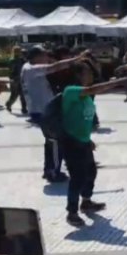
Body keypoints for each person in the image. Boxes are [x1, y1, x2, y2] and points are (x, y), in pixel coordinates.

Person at [61, 62, 127, 227]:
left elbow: (80, 119)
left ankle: (86, 201)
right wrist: (117, 81)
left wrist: (88, 139)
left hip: (83, 141)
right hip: (71, 142)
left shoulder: (86, 96)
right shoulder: (71, 91)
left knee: (91, 172)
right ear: (78, 75)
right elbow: (91, 90)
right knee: (77, 177)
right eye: (88, 73)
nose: (91, 76)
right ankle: (71, 212)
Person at [21, 46, 89, 182]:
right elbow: (55, 67)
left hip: (41, 109)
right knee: (57, 141)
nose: (47, 58)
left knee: (50, 142)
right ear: (36, 57)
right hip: (43, 110)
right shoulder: (31, 69)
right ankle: (54, 172)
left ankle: (49, 169)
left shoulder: (27, 68)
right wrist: (77, 58)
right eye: (44, 55)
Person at [5, 46, 27, 114]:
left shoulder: (22, 59)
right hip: (15, 79)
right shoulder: (12, 60)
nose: (19, 52)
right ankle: (8, 104)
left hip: (21, 79)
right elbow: (11, 71)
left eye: (19, 51)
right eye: (17, 51)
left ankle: (24, 108)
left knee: (23, 94)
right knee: (14, 94)